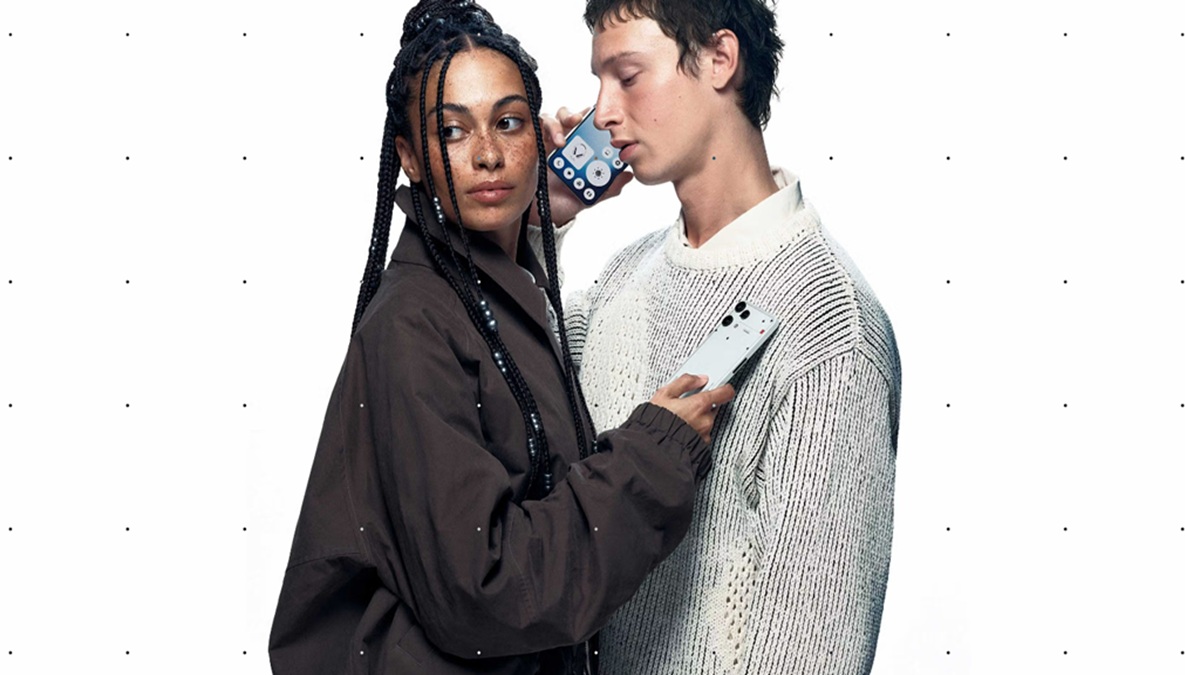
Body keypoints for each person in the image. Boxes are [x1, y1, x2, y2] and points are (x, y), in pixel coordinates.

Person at [267, 1, 735, 673]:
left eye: (509, 123)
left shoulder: (480, 287)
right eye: (452, 131)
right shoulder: (412, 325)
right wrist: (655, 454)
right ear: (410, 157)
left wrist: (541, 212)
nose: (488, 155)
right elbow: (488, 592)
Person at [535, 0, 902, 672]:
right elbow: (495, 384)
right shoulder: (623, 277)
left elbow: (817, 650)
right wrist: (542, 214)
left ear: (719, 59)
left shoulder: (832, 331)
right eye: (599, 82)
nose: (602, 112)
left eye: (627, 77)